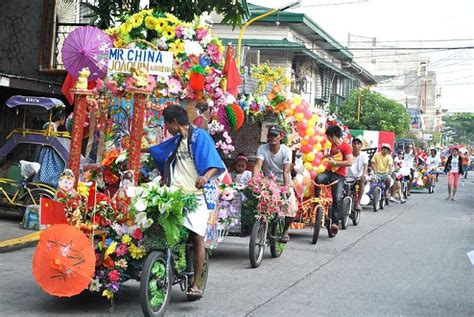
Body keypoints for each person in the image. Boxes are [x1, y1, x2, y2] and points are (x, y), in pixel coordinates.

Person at [148, 105, 225, 299]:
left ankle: (196, 283)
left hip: (197, 196)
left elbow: (215, 164)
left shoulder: (201, 137)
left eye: (166, 124)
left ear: (174, 122)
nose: (166, 128)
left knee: (197, 238)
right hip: (175, 194)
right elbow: (158, 152)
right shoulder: (176, 140)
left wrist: (205, 177)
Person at [252, 125, 297, 242]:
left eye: (275, 135)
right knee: (260, 203)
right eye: (270, 135)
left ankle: (285, 230)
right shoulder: (262, 148)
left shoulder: (286, 150)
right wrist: (254, 182)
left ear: (281, 136)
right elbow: (257, 165)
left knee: (291, 207)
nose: (273, 138)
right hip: (268, 181)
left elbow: (286, 171)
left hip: (283, 181)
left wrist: (286, 188)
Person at [314, 125, 353, 236]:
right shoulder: (333, 145)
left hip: (339, 176)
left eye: (328, 138)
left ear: (333, 136)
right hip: (328, 173)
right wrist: (323, 156)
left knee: (337, 197)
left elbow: (350, 162)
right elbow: (333, 155)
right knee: (318, 179)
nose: (328, 140)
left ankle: (335, 223)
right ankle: (317, 203)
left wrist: (335, 163)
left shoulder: (346, 147)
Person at [347, 136, 368, 211]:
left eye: (358, 144)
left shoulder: (364, 155)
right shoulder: (348, 154)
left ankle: (358, 202)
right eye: (354, 143)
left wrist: (364, 174)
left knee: (362, 181)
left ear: (361, 146)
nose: (356, 145)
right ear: (352, 145)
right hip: (347, 176)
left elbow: (365, 165)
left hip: (359, 176)